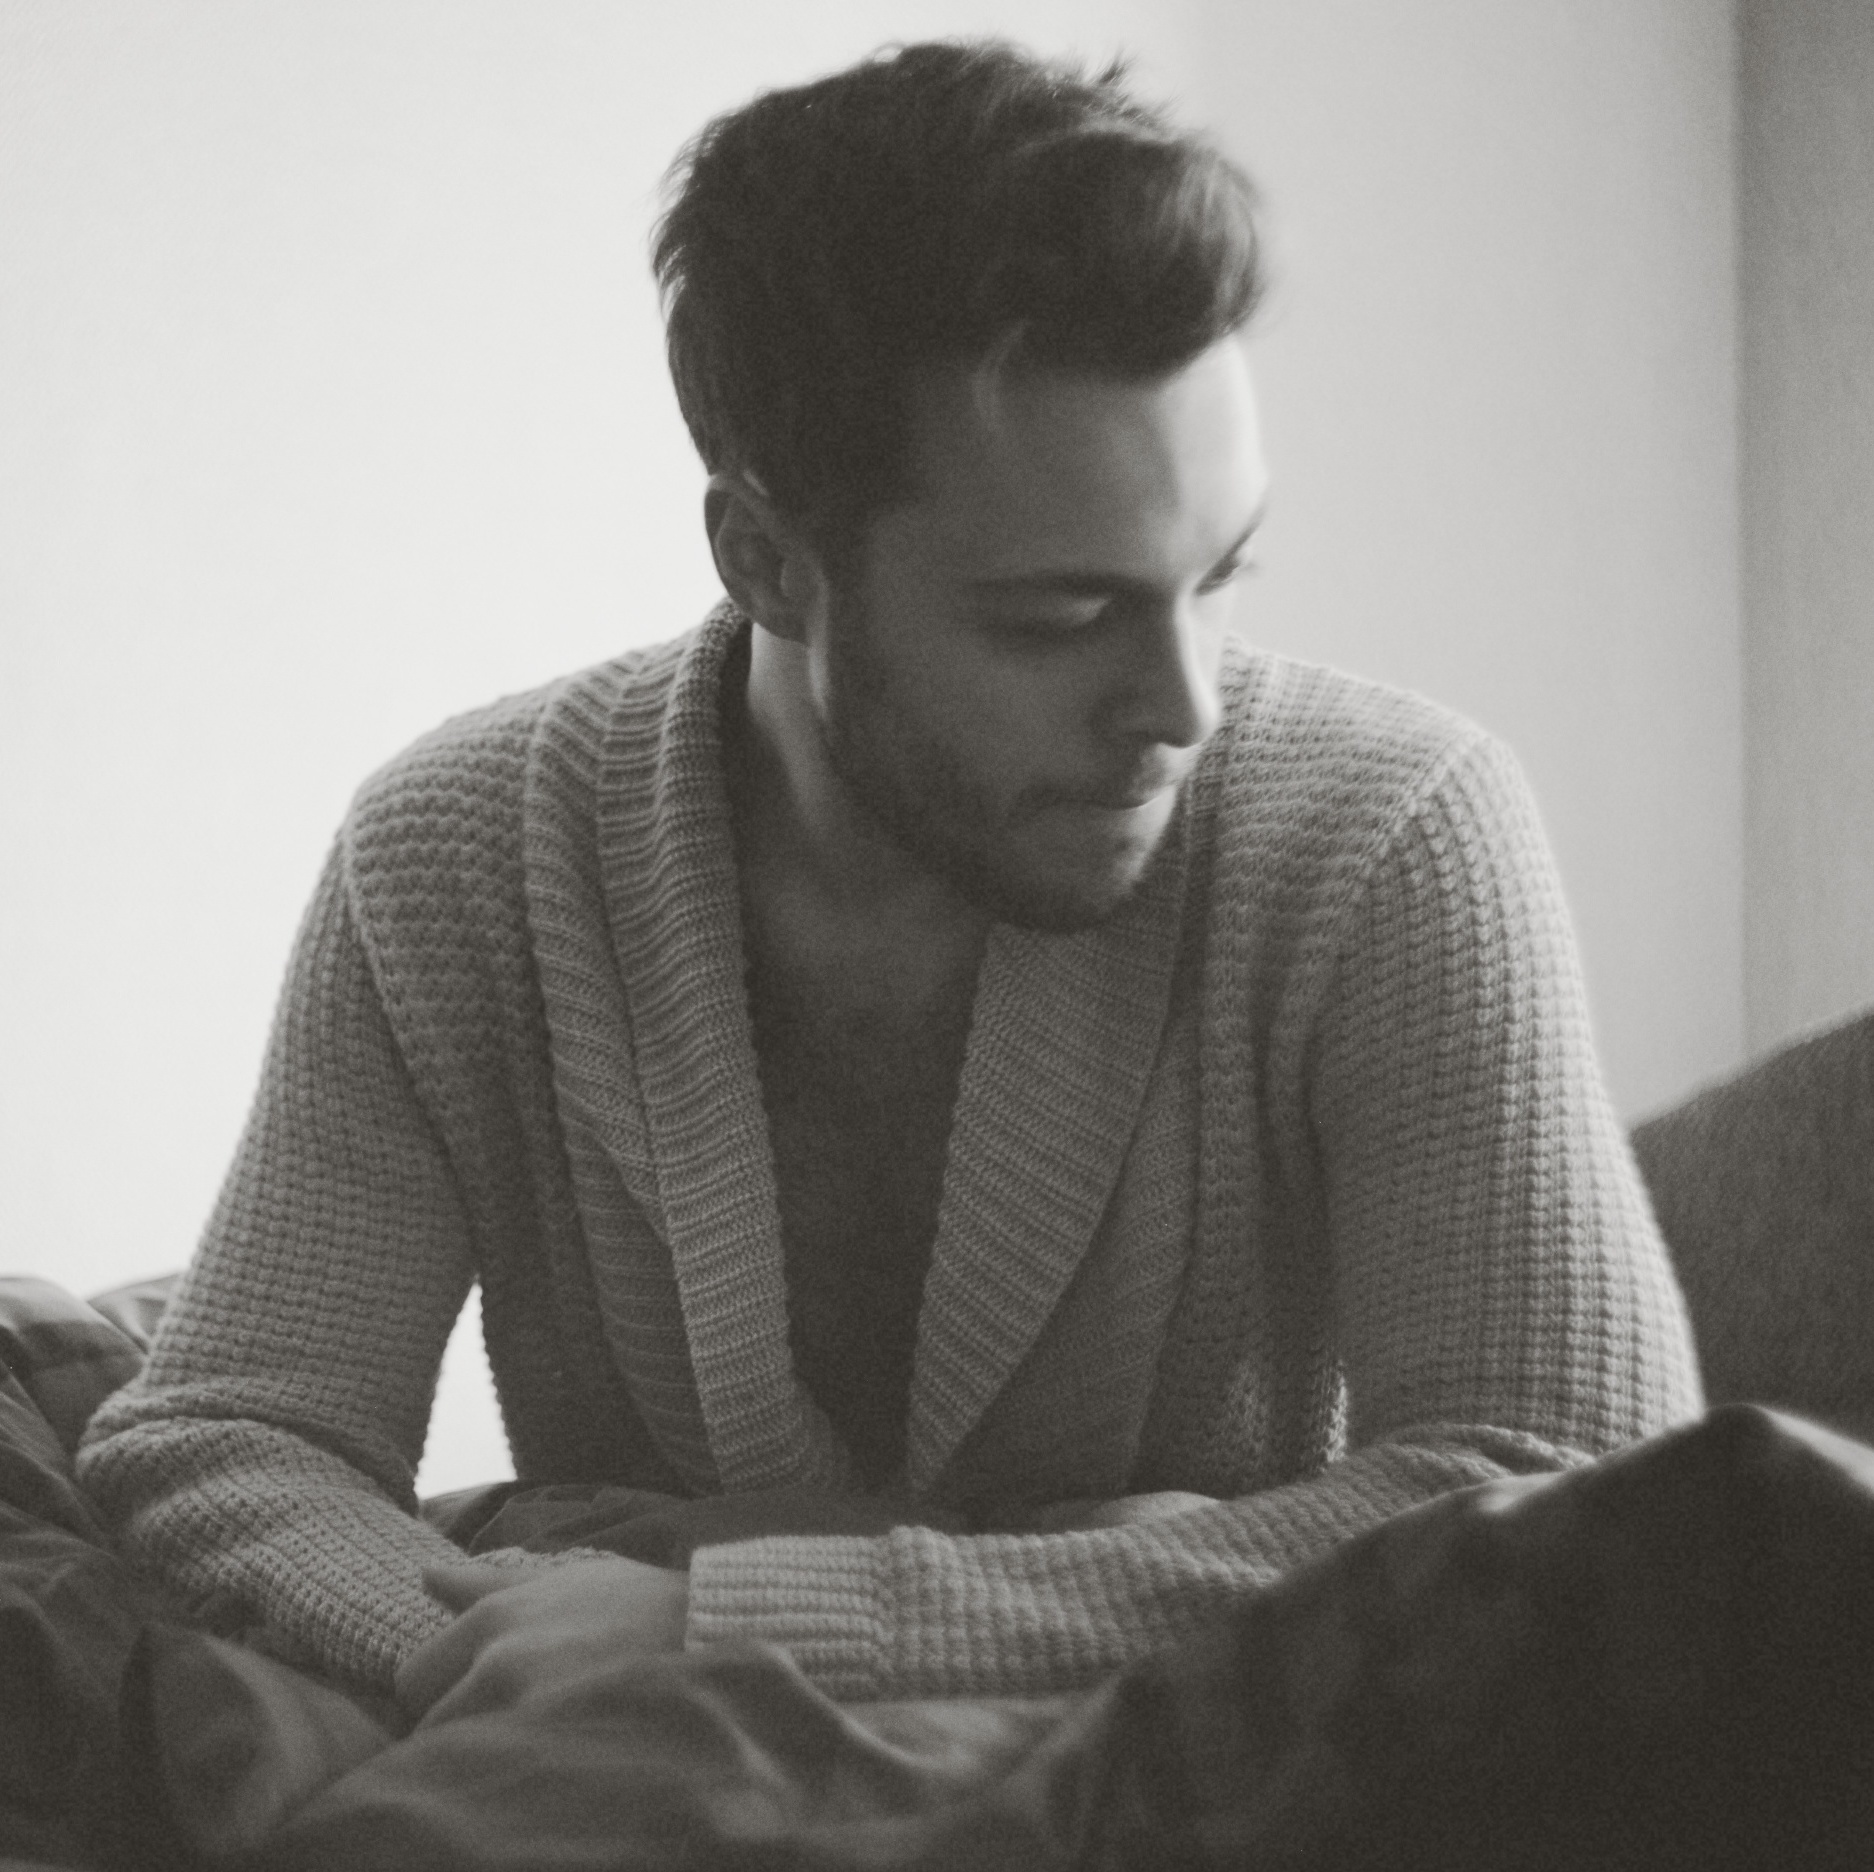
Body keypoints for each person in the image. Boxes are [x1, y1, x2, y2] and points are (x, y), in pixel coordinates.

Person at [78, 39, 1701, 1707]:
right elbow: (229, 1430)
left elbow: (1578, 1489)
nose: (1182, 706)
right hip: (646, 1794)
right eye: (1058, 617)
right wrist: (486, 1651)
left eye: (1217, 578)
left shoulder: (1390, 831)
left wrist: (747, 1624)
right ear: (767, 561)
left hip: (1203, 1781)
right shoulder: (461, 858)